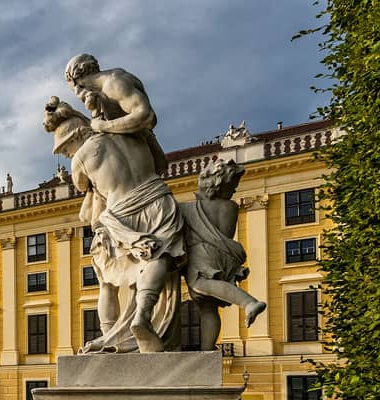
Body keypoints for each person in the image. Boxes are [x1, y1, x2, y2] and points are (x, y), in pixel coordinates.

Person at [43, 95, 185, 353]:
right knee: (160, 258)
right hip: (156, 198)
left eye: (65, 149)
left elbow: (84, 190)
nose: (66, 155)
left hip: (120, 216)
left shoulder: (80, 159)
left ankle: (111, 338)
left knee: (106, 282)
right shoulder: (130, 134)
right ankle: (143, 314)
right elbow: (161, 163)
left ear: (76, 137)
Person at [180, 159, 267, 349]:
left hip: (202, 253)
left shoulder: (187, 209)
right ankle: (207, 349)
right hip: (226, 257)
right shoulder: (231, 207)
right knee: (208, 306)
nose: (234, 191)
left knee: (201, 284)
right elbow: (224, 235)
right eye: (232, 187)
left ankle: (249, 303)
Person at [63, 53, 167, 176]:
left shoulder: (114, 83)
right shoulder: (105, 91)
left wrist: (102, 126)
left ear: (77, 83)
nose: (80, 95)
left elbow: (146, 116)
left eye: (75, 90)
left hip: (141, 162)